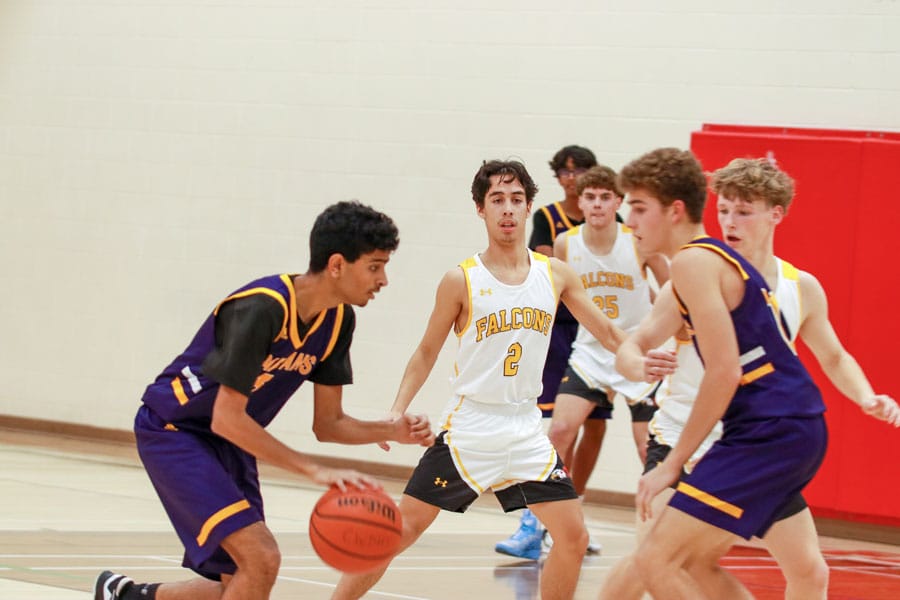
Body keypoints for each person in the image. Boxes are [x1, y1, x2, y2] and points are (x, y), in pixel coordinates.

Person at [94, 201, 435, 600]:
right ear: (338, 264)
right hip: (176, 430)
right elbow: (226, 416)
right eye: (375, 266)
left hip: (229, 441)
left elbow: (328, 424)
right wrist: (314, 471)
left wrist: (391, 429)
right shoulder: (263, 307)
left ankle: (126, 595)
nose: (384, 280)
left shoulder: (339, 320)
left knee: (242, 577)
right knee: (260, 559)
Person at [599, 157, 900, 599]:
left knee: (805, 571)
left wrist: (864, 396)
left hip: (750, 435)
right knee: (654, 559)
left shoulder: (792, 284)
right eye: (724, 209)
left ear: (775, 213)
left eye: (744, 210)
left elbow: (832, 357)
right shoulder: (702, 269)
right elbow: (633, 344)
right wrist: (637, 366)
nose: (730, 220)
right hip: (690, 430)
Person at [331, 159, 632, 600]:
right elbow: (426, 351)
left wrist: (640, 356)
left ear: (529, 206)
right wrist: (395, 411)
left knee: (573, 537)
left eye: (515, 200)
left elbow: (607, 332)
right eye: (497, 200)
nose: (507, 209)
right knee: (403, 527)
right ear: (481, 209)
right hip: (472, 427)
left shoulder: (556, 274)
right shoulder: (461, 279)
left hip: (526, 430)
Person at [541, 165, 668, 545]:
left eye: (604, 197)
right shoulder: (566, 244)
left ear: (617, 202)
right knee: (560, 430)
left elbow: (675, 289)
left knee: (649, 445)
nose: (597, 204)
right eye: (589, 197)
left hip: (638, 353)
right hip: (591, 352)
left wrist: (671, 331)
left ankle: (659, 528)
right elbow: (552, 297)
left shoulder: (638, 241)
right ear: (579, 202)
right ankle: (554, 523)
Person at [496, 145, 610, 559]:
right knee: (561, 426)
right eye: (563, 171)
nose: (571, 177)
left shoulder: (613, 224)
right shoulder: (549, 220)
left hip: (601, 333)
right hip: (561, 330)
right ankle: (537, 518)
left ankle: (572, 513)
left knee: (595, 427)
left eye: (578, 170)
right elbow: (552, 272)